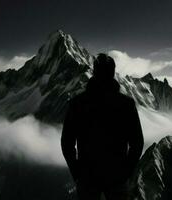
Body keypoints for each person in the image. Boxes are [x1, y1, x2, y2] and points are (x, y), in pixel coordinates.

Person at [61, 53, 144, 200]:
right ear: (113, 73)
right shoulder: (126, 104)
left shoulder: (77, 104)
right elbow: (137, 143)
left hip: (87, 177)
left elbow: (67, 143)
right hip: (116, 177)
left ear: (94, 72)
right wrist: (125, 173)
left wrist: (77, 174)